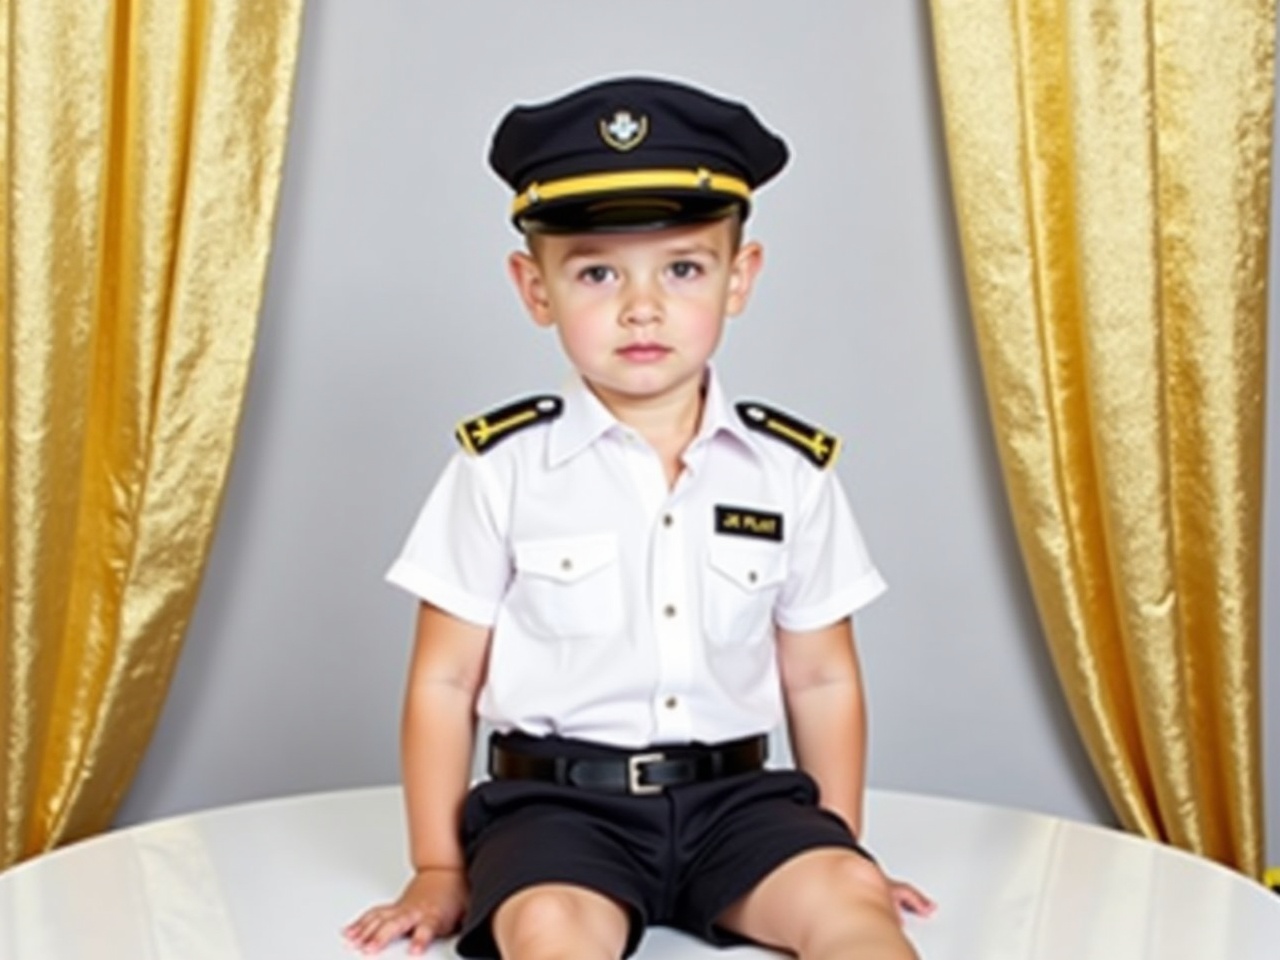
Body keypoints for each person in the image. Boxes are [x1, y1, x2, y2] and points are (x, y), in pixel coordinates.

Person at [344, 75, 934, 959]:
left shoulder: (789, 473)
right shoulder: (500, 471)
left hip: (738, 802)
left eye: (685, 267)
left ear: (741, 278)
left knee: (851, 901)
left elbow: (821, 680)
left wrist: (837, 842)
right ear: (534, 288)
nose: (642, 307)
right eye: (596, 272)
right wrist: (436, 864)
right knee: (548, 926)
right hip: (559, 812)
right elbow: (443, 683)